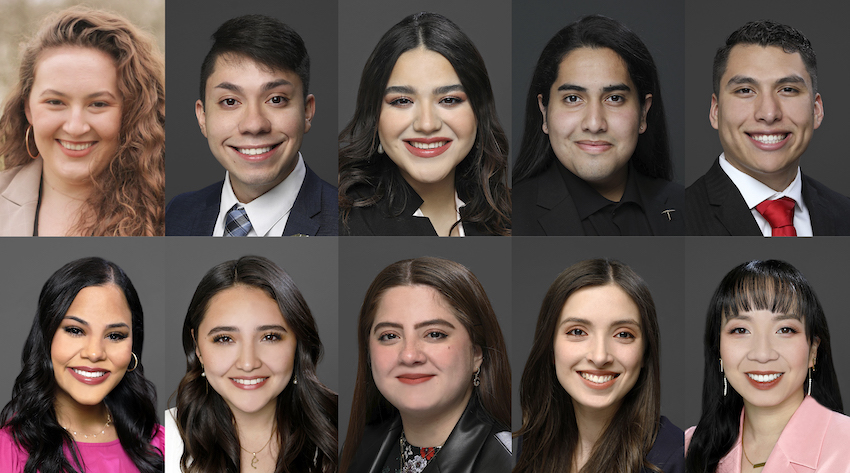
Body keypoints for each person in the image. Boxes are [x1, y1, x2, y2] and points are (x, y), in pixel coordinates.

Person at [338, 12, 511, 236]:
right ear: (375, 113)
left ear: (479, 110)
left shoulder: (515, 215)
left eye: (449, 100)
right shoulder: (343, 223)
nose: (427, 124)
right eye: (402, 101)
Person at [165, 15, 337, 237]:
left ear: (307, 111)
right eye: (230, 101)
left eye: (276, 99)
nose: (254, 125)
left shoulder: (344, 219)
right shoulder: (177, 213)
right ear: (202, 117)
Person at [512, 15, 684, 236]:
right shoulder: (509, 216)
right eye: (573, 98)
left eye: (614, 98)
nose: (594, 124)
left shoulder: (685, 208)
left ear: (643, 113)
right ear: (544, 112)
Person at [0, 7, 165, 236]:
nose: (75, 127)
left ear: (132, 110)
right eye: (55, 102)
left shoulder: (171, 208)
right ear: (28, 108)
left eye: (98, 104)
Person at [167, 256, 337, 472]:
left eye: (270, 337)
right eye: (224, 338)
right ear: (197, 347)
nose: (248, 364)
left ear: (298, 343)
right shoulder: (163, 437)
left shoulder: (341, 433)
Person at [340, 257, 511, 472]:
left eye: (435, 334)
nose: (410, 355)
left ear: (476, 354)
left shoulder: (512, 461)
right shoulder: (357, 452)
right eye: (390, 335)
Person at [515, 259, 684, 472]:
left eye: (623, 334)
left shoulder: (679, 458)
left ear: (645, 353)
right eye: (577, 332)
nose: (600, 356)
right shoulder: (519, 451)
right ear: (550, 347)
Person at [686, 20, 850, 236]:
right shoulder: (681, 218)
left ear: (816, 110)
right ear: (716, 111)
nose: (769, 113)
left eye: (788, 89)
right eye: (745, 90)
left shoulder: (844, 213)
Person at [0, 257, 164, 472]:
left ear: (133, 345)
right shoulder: (8, 449)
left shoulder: (165, 445)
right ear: (46, 337)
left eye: (115, 335)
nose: (95, 353)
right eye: (75, 330)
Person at [685, 260, 849, 472]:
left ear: (813, 351)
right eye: (741, 330)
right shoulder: (689, 447)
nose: (762, 354)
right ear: (719, 352)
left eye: (785, 330)